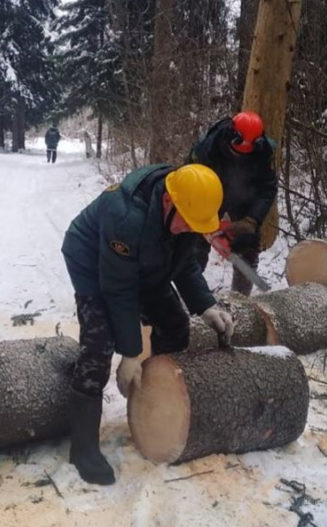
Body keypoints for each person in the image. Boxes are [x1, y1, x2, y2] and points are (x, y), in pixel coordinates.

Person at [61, 163, 235, 485]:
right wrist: (130, 354)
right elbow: (118, 290)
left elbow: (183, 265)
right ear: (168, 201)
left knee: (175, 323)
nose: (190, 229)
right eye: (187, 223)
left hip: (143, 262)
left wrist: (206, 305)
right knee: (99, 346)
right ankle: (82, 447)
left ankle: (155, 398)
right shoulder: (126, 218)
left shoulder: (187, 211)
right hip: (92, 263)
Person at [186, 111, 277, 295]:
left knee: (248, 245)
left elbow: (267, 188)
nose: (240, 155)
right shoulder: (207, 147)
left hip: (244, 197)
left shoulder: (263, 152)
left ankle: (240, 299)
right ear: (231, 135)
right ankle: (192, 292)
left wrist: (251, 220)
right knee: (195, 247)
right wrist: (204, 222)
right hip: (208, 192)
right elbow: (189, 178)